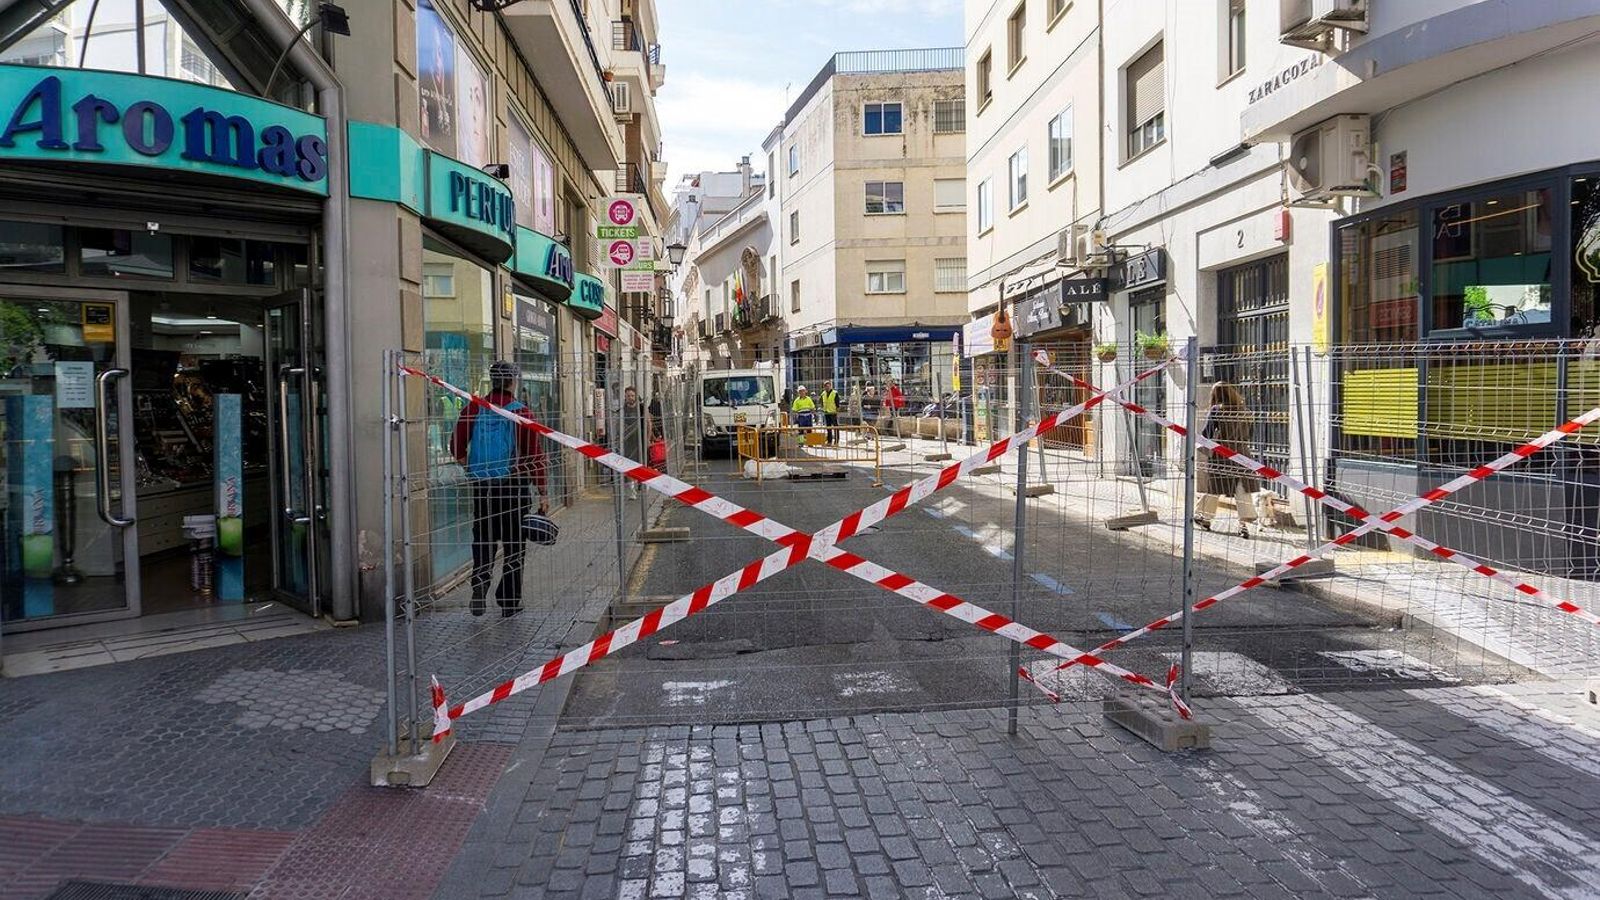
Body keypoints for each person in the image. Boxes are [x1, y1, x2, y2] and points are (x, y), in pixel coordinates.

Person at [452, 361, 547, 617]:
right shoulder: (522, 413)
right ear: (512, 381)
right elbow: (534, 455)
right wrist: (543, 491)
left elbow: (456, 446)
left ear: (492, 380)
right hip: (513, 487)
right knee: (514, 544)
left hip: (483, 487)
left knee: (484, 538)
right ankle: (509, 600)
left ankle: (480, 583)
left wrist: (472, 470)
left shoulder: (474, 408)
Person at [1195, 381, 1259, 539]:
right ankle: (1243, 525)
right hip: (1243, 453)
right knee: (1242, 488)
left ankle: (1204, 517)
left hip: (1222, 453)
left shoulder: (1217, 410)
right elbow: (1250, 434)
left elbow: (1207, 433)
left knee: (1215, 487)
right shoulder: (1246, 412)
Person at [621, 386, 648, 498]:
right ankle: (632, 490)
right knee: (628, 464)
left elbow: (648, 423)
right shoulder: (622, 409)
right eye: (628, 396)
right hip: (627, 440)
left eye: (632, 395)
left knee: (641, 463)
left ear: (636, 396)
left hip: (640, 438)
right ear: (625, 397)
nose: (630, 398)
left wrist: (647, 439)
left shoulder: (641, 408)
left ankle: (642, 483)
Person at [819, 380, 841, 445]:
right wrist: (823, 408)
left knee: (835, 427)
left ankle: (836, 441)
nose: (827, 387)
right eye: (826, 386)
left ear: (831, 386)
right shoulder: (823, 394)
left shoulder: (835, 393)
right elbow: (821, 402)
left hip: (833, 412)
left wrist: (837, 410)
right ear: (824, 387)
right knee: (828, 428)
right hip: (826, 412)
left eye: (828, 386)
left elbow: (837, 403)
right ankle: (829, 441)